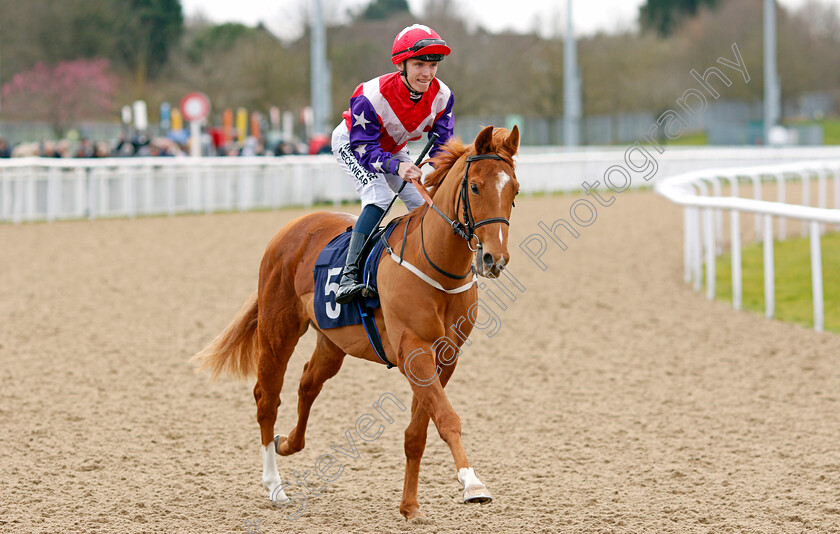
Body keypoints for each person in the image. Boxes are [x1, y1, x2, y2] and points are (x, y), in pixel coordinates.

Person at [331, 24, 455, 304]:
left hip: (392, 149)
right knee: (379, 196)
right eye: (419, 64)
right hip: (353, 143)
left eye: (433, 65)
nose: (427, 73)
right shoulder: (370, 95)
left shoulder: (443, 96)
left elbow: (442, 148)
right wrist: (398, 167)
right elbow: (364, 147)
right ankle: (348, 276)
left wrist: (448, 174)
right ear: (402, 64)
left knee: (424, 205)